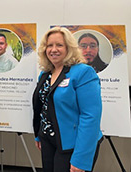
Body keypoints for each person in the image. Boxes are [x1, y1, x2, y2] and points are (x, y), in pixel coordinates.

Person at [32, 27, 103, 172]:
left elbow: (90, 116)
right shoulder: (45, 74)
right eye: (49, 45)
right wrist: (39, 134)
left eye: (59, 45)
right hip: (49, 140)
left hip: (74, 144)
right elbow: (44, 107)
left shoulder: (84, 72)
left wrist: (81, 159)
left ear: (69, 48)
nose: (53, 49)